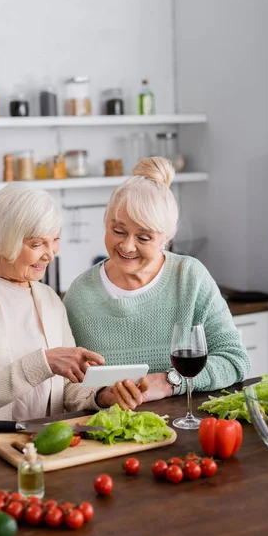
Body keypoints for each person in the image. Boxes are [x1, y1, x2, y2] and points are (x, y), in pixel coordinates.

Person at [0, 185, 120, 437]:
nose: (50, 254)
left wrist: (103, 396)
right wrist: (43, 362)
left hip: (42, 448)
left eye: (55, 239)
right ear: (6, 242)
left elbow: (66, 390)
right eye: (37, 244)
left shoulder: (48, 299)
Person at [64, 157, 250, 411]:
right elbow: (65, 385)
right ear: (105, 222)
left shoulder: (189, 277)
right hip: (113, 435)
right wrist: (101, 396)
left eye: (143, 237)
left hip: (187, 428)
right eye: (118, 231)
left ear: (167, 238)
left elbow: (235, 360)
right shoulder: (80, 295)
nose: (127, 246)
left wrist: (169, 381)